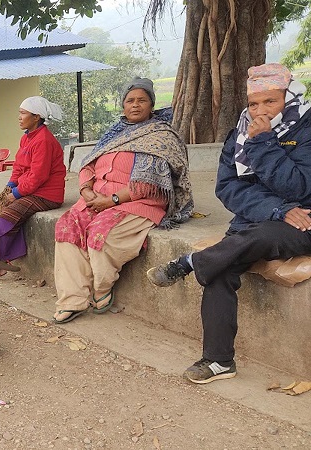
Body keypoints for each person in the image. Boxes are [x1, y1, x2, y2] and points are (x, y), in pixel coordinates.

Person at [147, 63, 311, 384]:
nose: (259, 110)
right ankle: (219, 360)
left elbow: (300, 187)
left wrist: (264, 144)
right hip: (263, 220)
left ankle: (190, 262)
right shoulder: (239, 132)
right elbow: (228, 188)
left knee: (248, 240)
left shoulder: (305, 128)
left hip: (303, 222)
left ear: (289, 97)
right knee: (222, 265)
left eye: (271, 101)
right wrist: (276, 209)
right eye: (253, 103)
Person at [52, 77, 193, 324]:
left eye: (142, 100)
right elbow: (89, 163)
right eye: (130, 100)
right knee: (66, 226)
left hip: (137, 202)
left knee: (99, 230)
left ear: (151, 104)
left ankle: (102, 287)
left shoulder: (160, 136)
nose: (135, 105)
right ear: (123, 105)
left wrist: (112, 199)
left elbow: (152, 182)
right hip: (96, 198)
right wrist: (86, 190)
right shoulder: (114, 133)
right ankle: (71, 299)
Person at [0, 96, 67, 282]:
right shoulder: (26, 138)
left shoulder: (43, 140)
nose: (19, 117)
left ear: (36, 117)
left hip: (46, 194)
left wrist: (16, 194)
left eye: (23, 113)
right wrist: (9, 188)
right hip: (31, 190)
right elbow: (18, 168)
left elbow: (38, 176)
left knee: (6, 216)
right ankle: (6, 258)